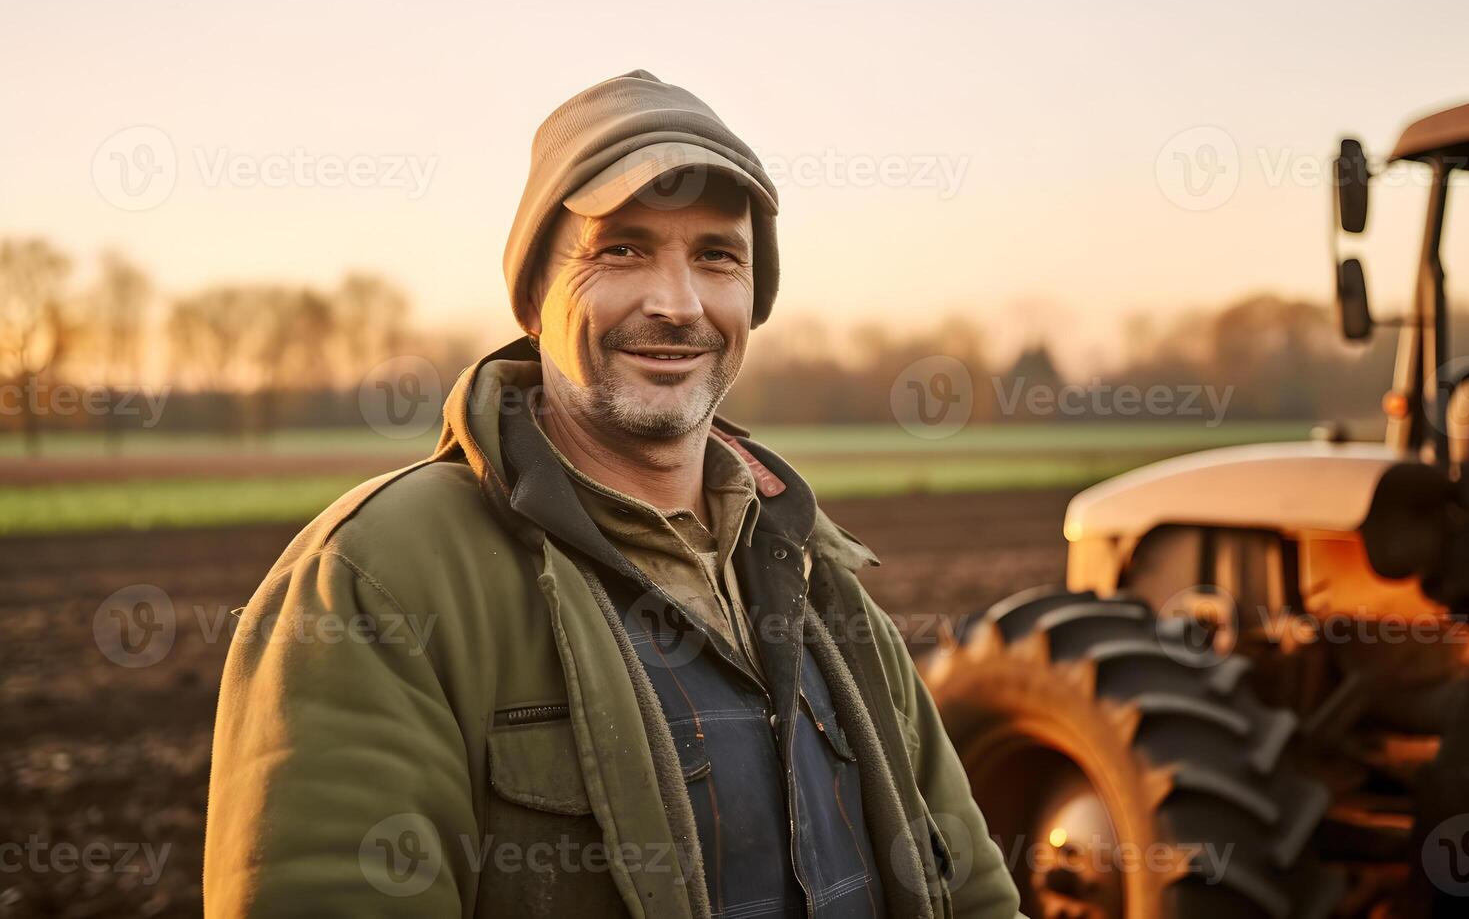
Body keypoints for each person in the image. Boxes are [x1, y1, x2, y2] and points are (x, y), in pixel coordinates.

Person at [203, 69, 1023, 918]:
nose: (677, 304)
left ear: (753, 299)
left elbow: (973, 898)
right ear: (532, 296)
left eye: (717, 256)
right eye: (621, 249)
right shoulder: (378, 581)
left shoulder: (817, 573)